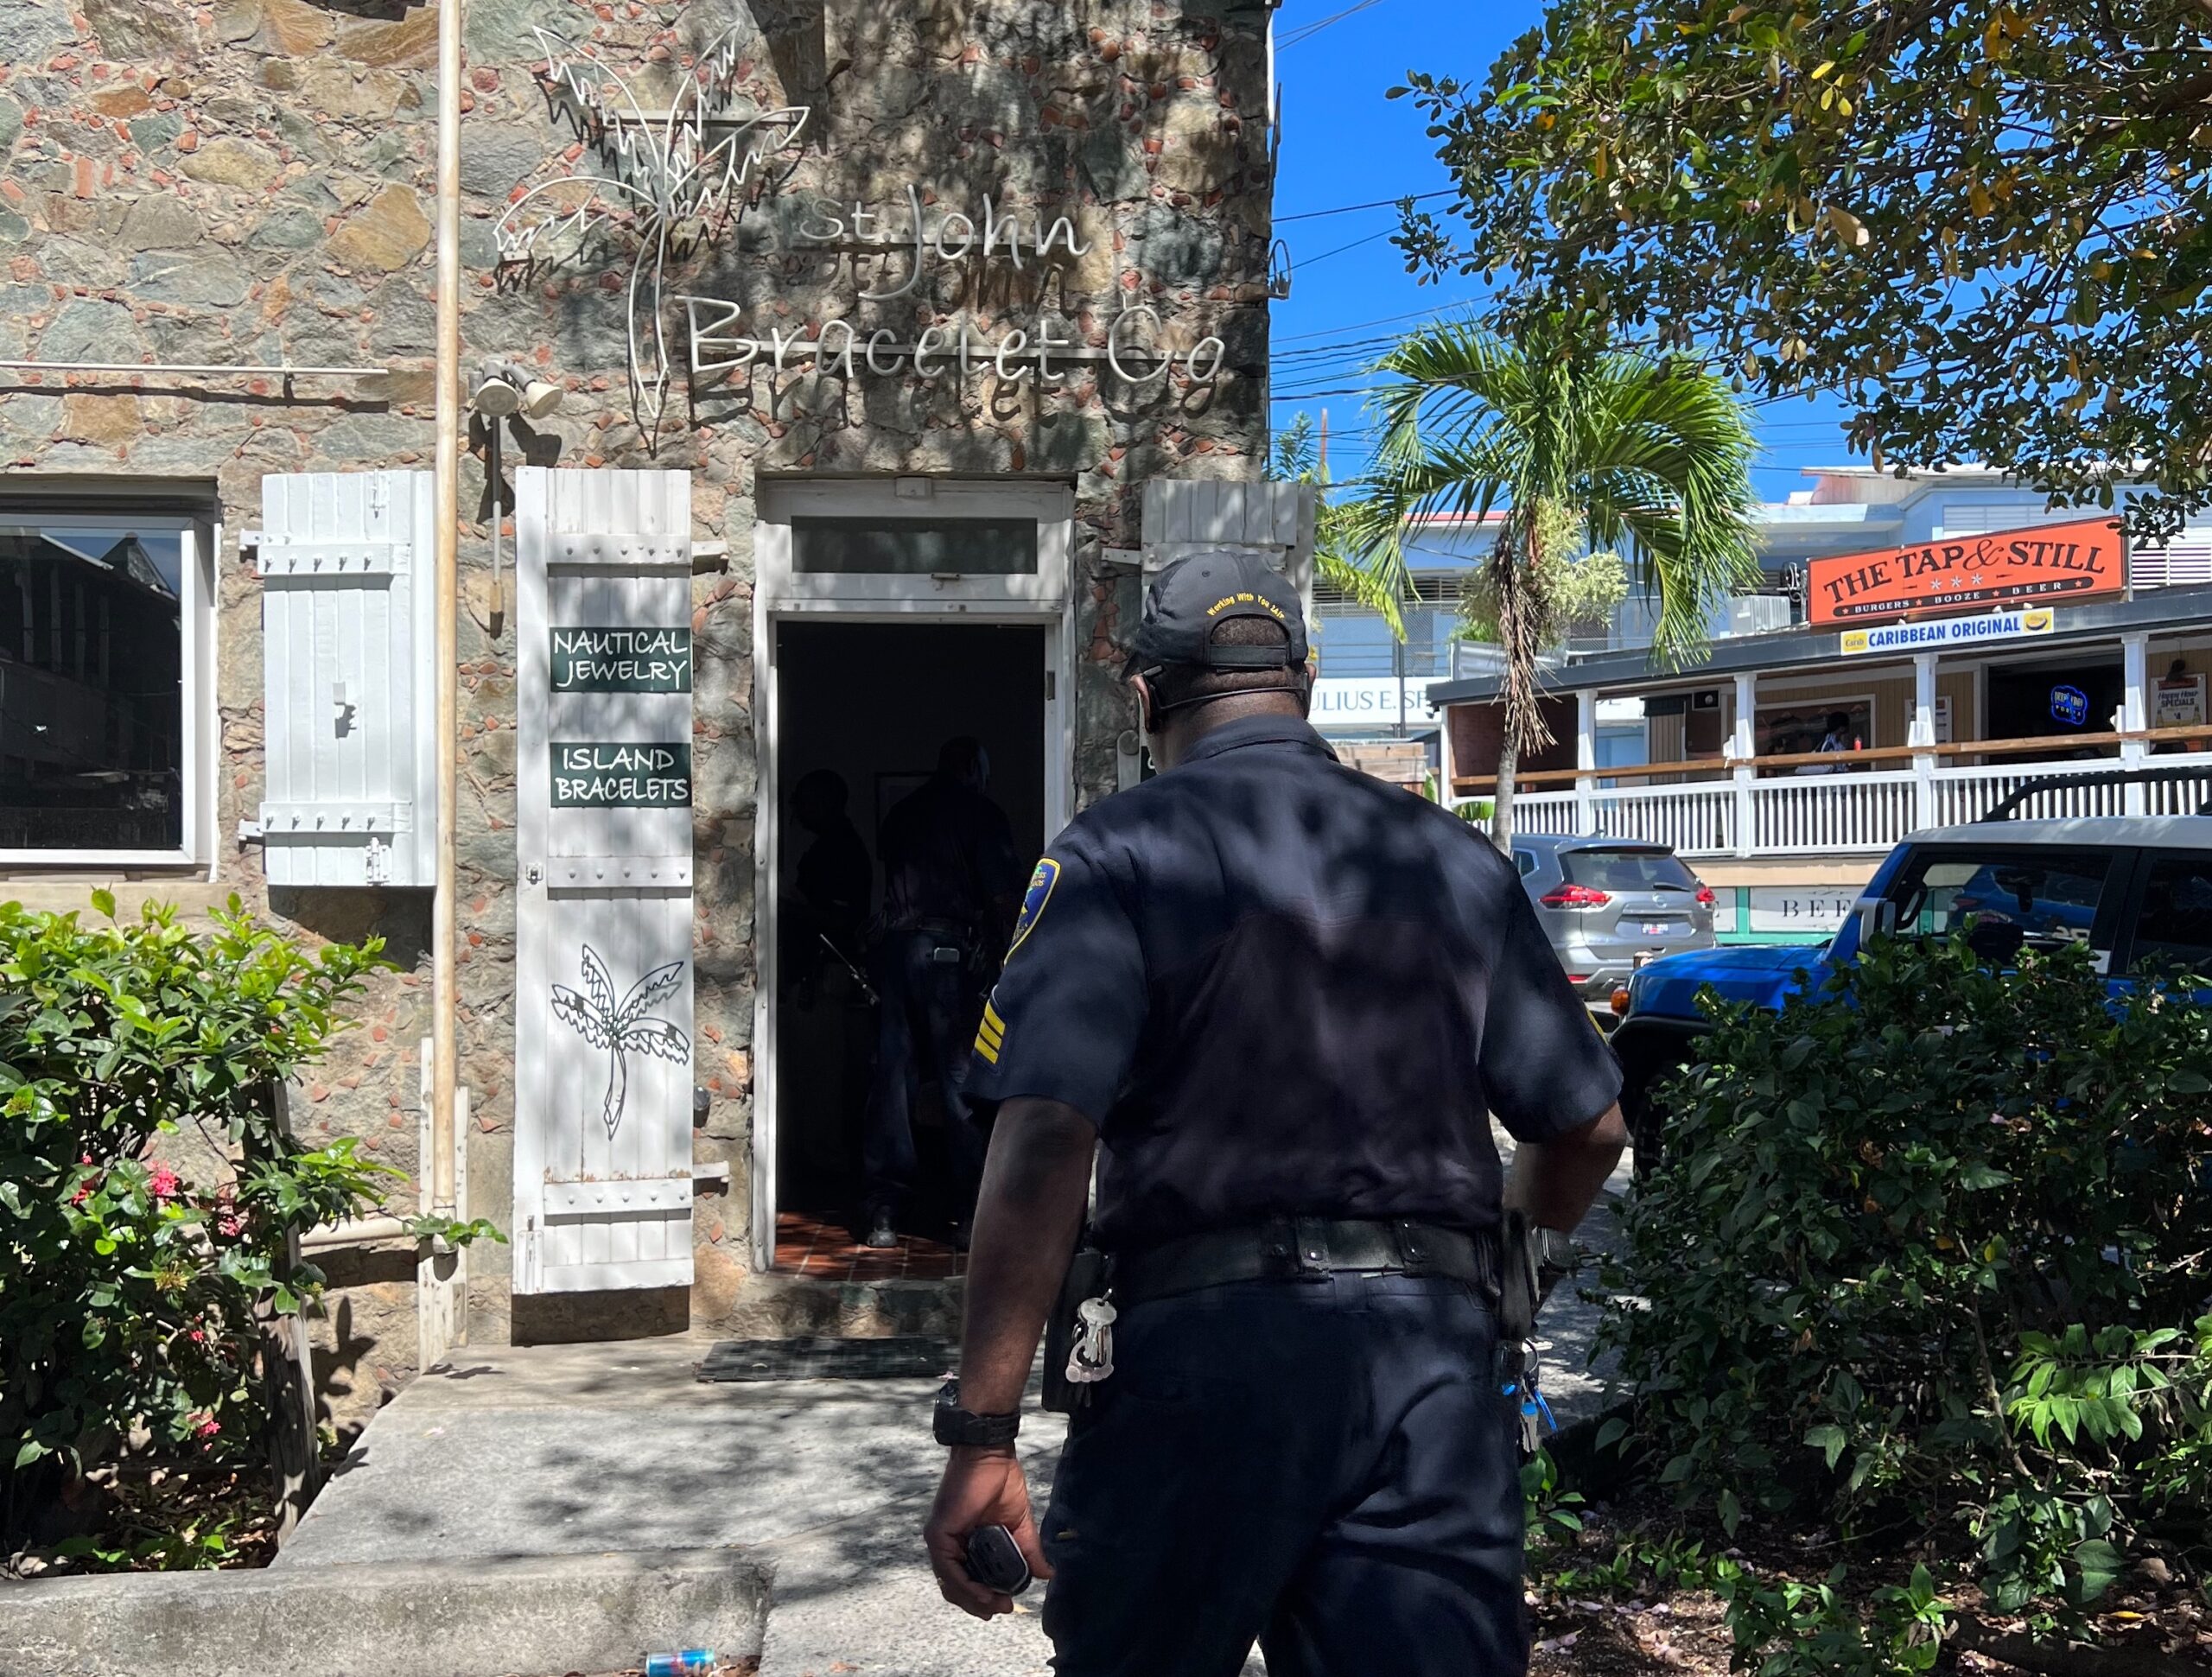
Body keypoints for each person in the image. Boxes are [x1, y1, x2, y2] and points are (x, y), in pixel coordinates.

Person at [921, 551, 1630, 1677]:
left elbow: (1046, 1138)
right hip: (1428, 1374)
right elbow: (1588, 1131)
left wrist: (982, 1433)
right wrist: (1511, 1255)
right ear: (1304, 681)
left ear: (1145, 696)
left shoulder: (1112, 858)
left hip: (1194, 1375)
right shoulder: (1448, 859)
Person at [861, 736, 1025, 1249]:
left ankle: (884, 1211)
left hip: (897, 953)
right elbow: (1004, 898)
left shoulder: (902, 814)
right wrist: (1010, 957)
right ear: (974, 769)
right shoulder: (981, 814)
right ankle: (972, 1213)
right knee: (960, 1082)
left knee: (893, 1079)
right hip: (948, 960)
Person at [790, 768, 873, 995]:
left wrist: (792, 908)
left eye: (804, 802)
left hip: (828, 967)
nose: (798, 811)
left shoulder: (841, 849)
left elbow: (843, 918)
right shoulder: (832, 845)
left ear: (825, 803)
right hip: (821, 964)